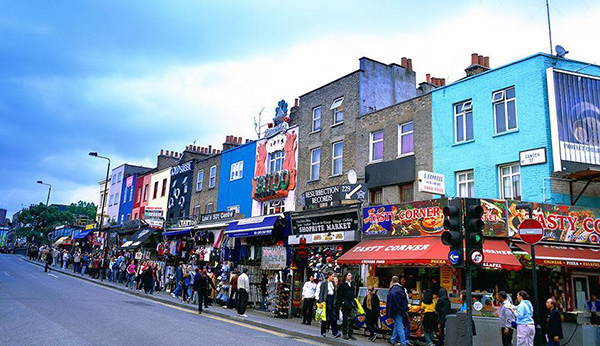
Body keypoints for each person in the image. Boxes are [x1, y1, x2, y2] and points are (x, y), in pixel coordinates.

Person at [316, 272, 340, 338]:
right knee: (325, 317)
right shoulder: (324, 283)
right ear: (329, 276)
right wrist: (320, 302)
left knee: (333, 317)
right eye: (332, 276)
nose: (333, 277)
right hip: (326, 300)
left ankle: (335, 332)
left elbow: (334, 292)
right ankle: (323, 331)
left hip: (332, 300)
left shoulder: (332, 283)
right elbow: (321, 293)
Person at [387, 276, 408, 346]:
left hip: (395, 310)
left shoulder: (392, 291)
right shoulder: (402, 289)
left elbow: (389, 303)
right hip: (401, 309)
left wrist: (389, 312)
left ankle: (403, 342)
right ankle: (392, 340)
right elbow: (405, 299)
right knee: (397, 324)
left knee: (399, 326)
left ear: (392, 282)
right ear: (398, 281)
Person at [337, 272, 356, 340]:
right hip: (345, 304)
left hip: (351, 303)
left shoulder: (352, 284)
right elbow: (339, 295)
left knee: (352, 317)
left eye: (351, 275)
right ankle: (344, 333)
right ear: (345, 277)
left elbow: (353, 294)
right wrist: (341, 303)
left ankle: (350, 333)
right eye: (349, 275)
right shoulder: (342, 285)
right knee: (345, 319)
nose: (350, 276)